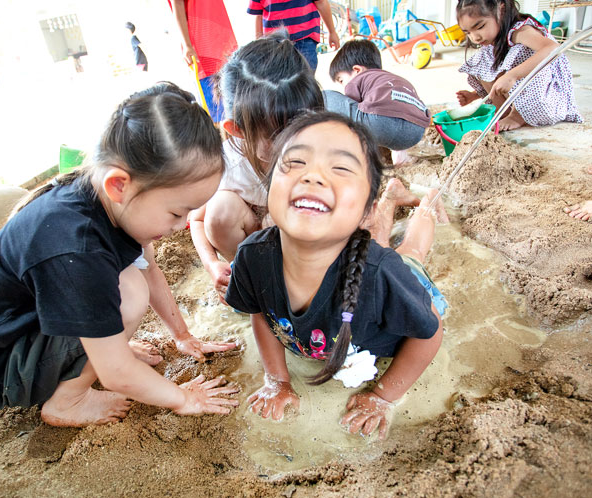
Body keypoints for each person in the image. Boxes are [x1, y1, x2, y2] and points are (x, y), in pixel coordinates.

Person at [0, 83, 239, 427]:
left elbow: (149, 268)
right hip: (1, 365)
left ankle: (92, 354)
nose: (180, 225)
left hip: (32, 329)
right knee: (129, 293)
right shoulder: (76, 245)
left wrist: (182, 336)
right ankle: (68, 401)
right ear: (120, 185)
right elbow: (117, 375)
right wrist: (183, 398)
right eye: (176, 213)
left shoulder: (110, 200)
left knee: (132, 282)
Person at [225, 111, 446, 439]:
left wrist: (383, 396)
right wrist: (277, 380)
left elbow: (430, 333)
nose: (313, 177)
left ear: (364, 209)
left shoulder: (382, 274)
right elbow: (262, 314)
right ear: (268, 187)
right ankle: (392, 196)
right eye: (296, 162)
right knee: (377, 250)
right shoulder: (252, 257)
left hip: (396, 278)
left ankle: (426, 201)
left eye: (340, 168)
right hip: (363, 260)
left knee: (411, 252)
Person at [188, 32, 324, 300]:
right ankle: (252, 279)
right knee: (220, 211)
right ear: (237, 130)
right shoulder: (227, 163)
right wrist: (211, 263)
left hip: (301, 232)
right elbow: (197, 220)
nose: (296, 144)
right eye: (279, 136)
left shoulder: (324, 141)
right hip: (255, 235)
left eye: (304, 128)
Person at [455, 0, 582, 131]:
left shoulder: (521, 31)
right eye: (468, 32)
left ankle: (518, 115)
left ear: (501, 11)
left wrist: (512, 76)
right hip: (521, 92)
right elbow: (497, 72)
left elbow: (552, 48)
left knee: (521, 55)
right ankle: (503, 111)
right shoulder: (494, 39)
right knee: (482, 61)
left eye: (480, 27)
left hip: (547, 93)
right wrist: (475, 95)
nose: (475, 37)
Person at [326, 39, 431, 156]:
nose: (343, 86)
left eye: (341, 80)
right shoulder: (394, 79)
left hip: (381, 124)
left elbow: (352, 109)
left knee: (327, 96)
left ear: (357, 70)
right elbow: (400, 110)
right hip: (416, 132)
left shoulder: (357, 80)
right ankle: (399, 152)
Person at [169, 0, 238, 123]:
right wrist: (187, 45)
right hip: (204, 49)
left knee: (237, 106)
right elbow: (177, 4)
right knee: (221, 115)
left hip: (224, 41)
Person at [247, 0, 340, 73]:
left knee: (306, 81)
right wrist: (259, 45)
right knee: (280, 82)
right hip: (275, 44)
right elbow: (257, 15)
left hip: (305, 40)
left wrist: (332, 32)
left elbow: (321, 2)